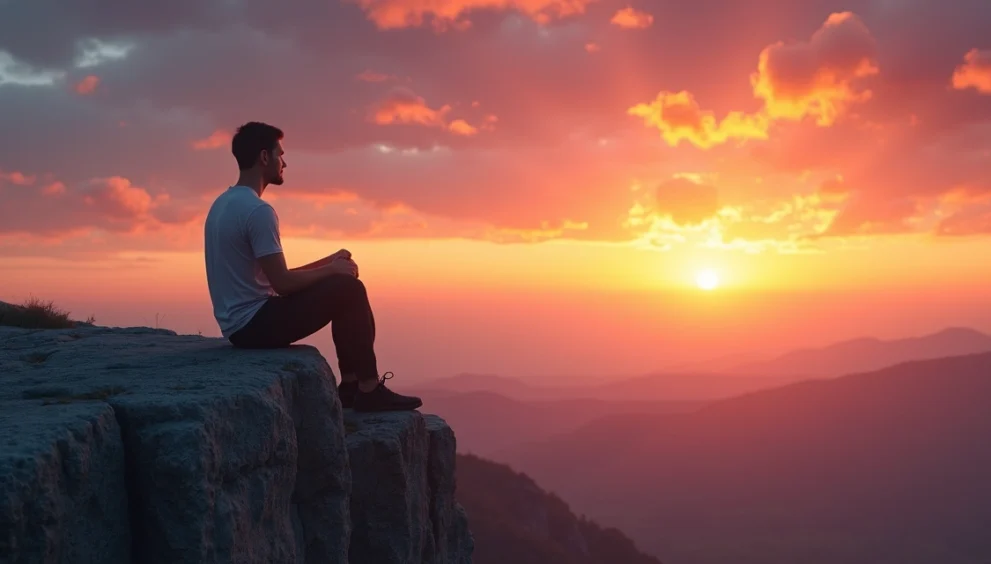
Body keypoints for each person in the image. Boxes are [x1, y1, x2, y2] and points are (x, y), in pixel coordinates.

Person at [203, 121, 422, 412]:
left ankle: (351, 386)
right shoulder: (259, 211)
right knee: (350, 290)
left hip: (238, 325)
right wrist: (332, 272)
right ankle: (367, 389)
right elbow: (282, 285)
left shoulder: (223, 203)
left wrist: (329, 262)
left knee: (343, 287)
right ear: (264, 157)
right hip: (254, 326)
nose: (285, 162)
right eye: (280, 154)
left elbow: (271, 276)